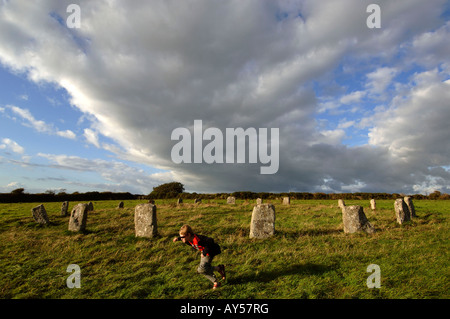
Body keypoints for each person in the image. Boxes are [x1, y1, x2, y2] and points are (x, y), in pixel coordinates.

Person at [173, 224, 225, 289]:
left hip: (210, 252)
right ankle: (218, 271)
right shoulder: (188, 239)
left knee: (201, 269)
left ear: (188, 235)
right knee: (203, 269)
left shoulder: (198, 239)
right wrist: (178, 239)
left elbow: (210, 240)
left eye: (182, 237)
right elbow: (183, 237)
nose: (182, 239)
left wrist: (204, 252)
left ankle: (217, 279)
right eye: (180, 237)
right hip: (204, 253)